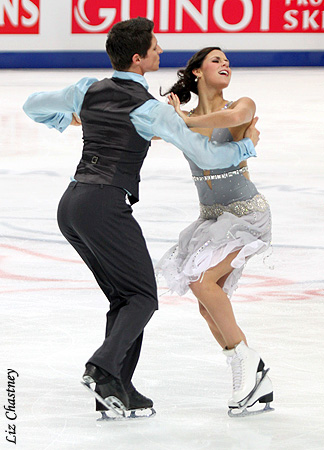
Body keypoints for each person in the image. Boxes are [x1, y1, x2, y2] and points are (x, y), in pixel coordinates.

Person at [22, 20, 260, 421]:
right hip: (105, 205)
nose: (161, 50)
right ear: (138, 58)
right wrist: (248, 144)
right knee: (143, 297)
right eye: (154, 46)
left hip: (72, 205)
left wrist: (70, 119)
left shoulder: (87, 89)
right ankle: (101, 369)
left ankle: (117, 389)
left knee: (124, 297)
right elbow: (208, 156)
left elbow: (32, 105)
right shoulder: (148, 110)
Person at [156, 47, 274, 417]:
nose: (226, 65)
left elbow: (231, 116)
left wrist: (178, 122)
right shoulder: (186, 117)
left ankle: (249, 363)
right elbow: (141, 129)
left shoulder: (241, 105)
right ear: (195, 72)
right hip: (210, 219)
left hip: (245, 216)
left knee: (202, 282)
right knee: (209, 306)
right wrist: (92, 118)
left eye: (227, 61)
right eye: (216, 61)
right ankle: (251, 373)